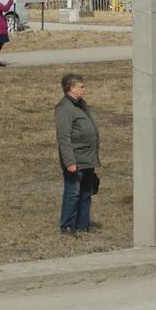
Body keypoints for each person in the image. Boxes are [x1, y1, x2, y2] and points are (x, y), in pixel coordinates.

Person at [55, 72, 101, 235]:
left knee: (87, 192)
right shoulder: (64, 108)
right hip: (76, 159)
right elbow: (63, 137)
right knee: (73, 193)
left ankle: (83, 224)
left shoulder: (82, 105)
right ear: (71, 88)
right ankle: (67, 225)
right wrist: (70, 162)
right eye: (81, 87)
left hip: (88, 158)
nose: (84, 89)